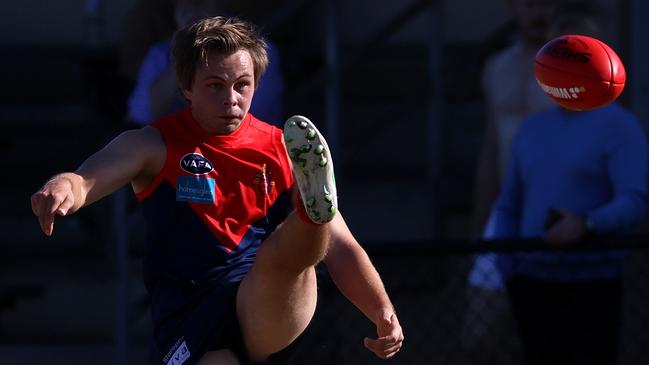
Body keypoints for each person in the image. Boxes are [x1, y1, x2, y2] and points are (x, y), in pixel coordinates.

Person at [31, 16, 403, 365]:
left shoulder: (283, 148)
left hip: (266, 299)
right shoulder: (153, 144)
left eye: (242, 85)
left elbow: (343, 246)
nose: (231, 98)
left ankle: (310, 211)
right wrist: (62, 187)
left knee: (281, 254)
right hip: (189, 310)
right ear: (185, 86)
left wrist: (381, 309)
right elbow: (88, 179)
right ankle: (308, 214)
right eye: (215, 86)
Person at [491, 14, 648, 364]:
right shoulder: (532, 129)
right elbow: (509, 202)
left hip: (592, 282)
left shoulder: (620, 126)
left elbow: (634, 200)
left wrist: (586, 224)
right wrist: (507, 266)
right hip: (531, 281)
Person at [464, 0, 560, 363]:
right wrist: (480, 219)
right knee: (479, 334)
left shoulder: (572, 71)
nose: (538, 12)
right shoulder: (497, 67)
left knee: (546, 333)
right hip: (505, 214)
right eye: (528, 3)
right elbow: (492, 146)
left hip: (555, 215)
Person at [127, 0, 285, 128]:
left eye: (199, 2)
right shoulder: (160, 54)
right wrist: (187, 52)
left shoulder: (258, 51)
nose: (190, 8)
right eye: (183, 3)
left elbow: (253, 116)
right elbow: (142, 114)